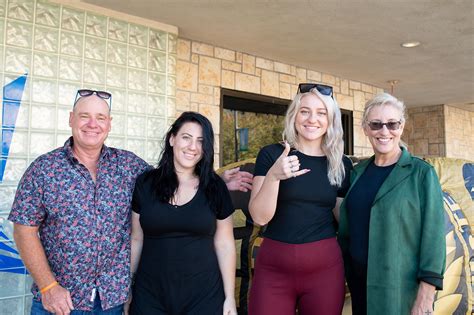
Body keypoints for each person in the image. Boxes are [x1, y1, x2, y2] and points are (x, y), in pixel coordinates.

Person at [8, 91, 251, 314]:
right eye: (85, 116)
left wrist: (214, 179)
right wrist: (48, 286)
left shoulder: (127, 166)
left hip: (111, 301)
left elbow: (177, 176)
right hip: (60, 301)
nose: (93, 124)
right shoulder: (43, 170)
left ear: (109, 124)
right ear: (71, 119)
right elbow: (23, 231)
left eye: (101, 117)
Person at [248, 83, 353, 314]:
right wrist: (274, 176)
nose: (312, 119)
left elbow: (344, 218)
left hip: (325, 270)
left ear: (330, 120)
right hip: (274, 268)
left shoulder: (340, 163)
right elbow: (259, 217)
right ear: (294, 115)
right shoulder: (271, 154)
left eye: (321, 112)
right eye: (304, 111)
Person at [338, 93, 445, 315]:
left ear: (402, 126)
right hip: (359, 285)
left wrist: (427, 293)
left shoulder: (421, 173)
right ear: (366, 129)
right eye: (376, 124)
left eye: (392, 124)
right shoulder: (357, 173)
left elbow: (433, 235)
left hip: (400, 289)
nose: (384, 131)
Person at [128, 112, 237, 315]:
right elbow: (136, 238)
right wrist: (127, 287)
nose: (192, 147)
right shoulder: (145, 183)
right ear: (172, 139)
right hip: (150, 297)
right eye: (186, 137)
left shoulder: (216, 187)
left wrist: (229, 297)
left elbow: (225, 245)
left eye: (200, 141)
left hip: (204, 297)